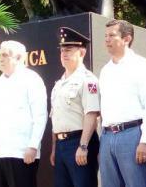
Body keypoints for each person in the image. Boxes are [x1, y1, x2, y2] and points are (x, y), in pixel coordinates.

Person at [98, 19, 146, 187]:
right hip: (107, 136)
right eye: (105, 36)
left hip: (132, 135)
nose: (107, 40)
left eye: (112, 35)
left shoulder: (142, 66)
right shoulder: (105, 71)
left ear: (127, 39)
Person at [0, 40, 48, 187]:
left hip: (21, 152)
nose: (1, 58)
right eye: (0, 55)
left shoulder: (32, 79)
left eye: (5, 55)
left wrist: (33, 145)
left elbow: (40, 115)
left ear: (18, 58)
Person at [50, 27, 100, 187]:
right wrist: (54, 148)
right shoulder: (58, 84)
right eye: (62, 50)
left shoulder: (88, 80)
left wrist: (83, 146)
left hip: (79, 142)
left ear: (82, 53)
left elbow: (91, 115)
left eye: (69, 50)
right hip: (61, 145)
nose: (64, 54)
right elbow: (56, 119)